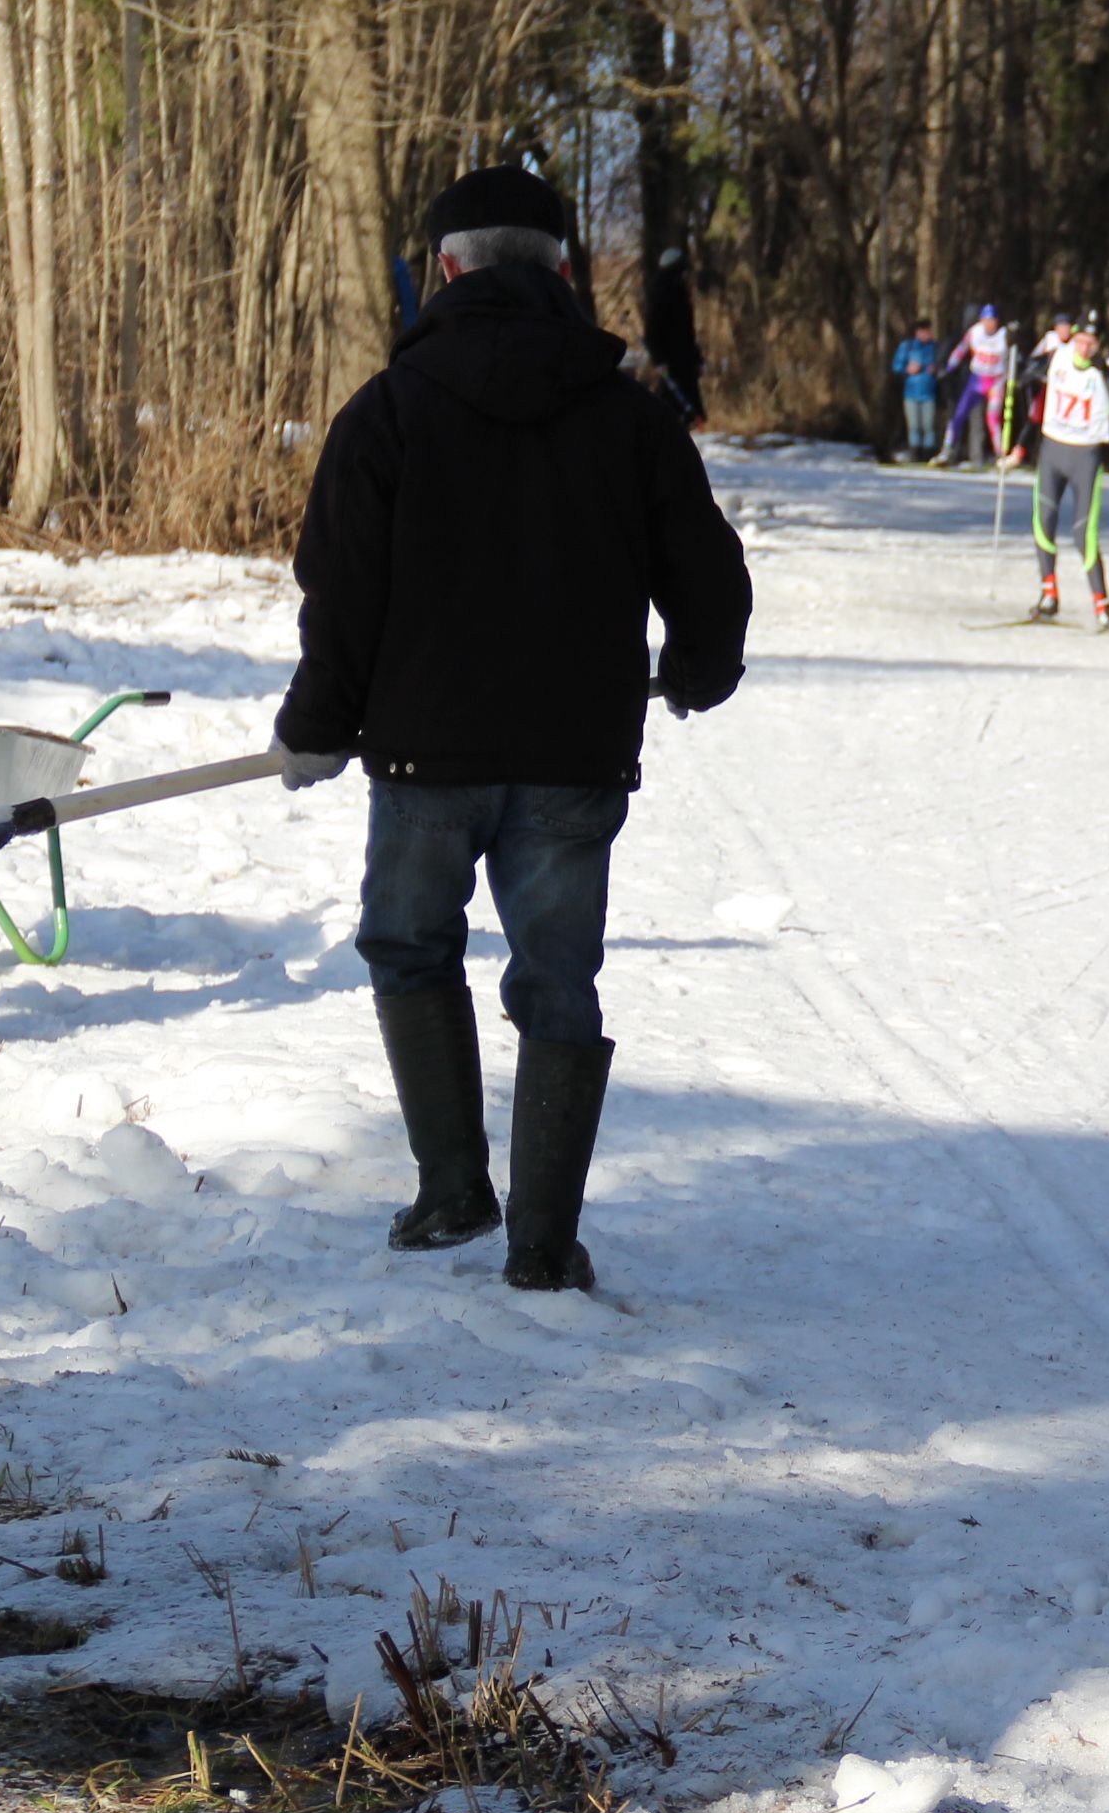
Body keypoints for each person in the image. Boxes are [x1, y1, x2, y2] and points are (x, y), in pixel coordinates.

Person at [275, 165, 752, 1292]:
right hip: (570, 756)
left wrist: (318, 723)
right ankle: (541, 1244)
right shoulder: (632, 418)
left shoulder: (387, 412)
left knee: (407, 945)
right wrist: (696, 671)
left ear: (443, 268)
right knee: (558, 981)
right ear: (567, 275)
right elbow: (710, 579)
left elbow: (341, 590)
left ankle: (452, 1190)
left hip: (421, 755)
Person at [1027, 315, 1109, 627]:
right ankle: (1048, 596)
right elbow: (1026, 376)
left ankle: (1103, 607)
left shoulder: (1106, 368)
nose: (1084, 349)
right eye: (1080, 341)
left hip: (1086, 456)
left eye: (1090, 343)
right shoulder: (1056, 356)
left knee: (1083, 532)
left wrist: (1107, 372)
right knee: (1043, 521)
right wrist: (1021, 363)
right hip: (1053, 449)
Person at [642, 245, 705, 427]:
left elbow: (687, 332)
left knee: (688, 411)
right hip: (670, 360)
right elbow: (652, 331)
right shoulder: (661, 291)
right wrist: (659, 359)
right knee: (673, 408)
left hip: (684, 359)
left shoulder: (679, 289)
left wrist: (697, 359)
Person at [940, 306, 1012, 463]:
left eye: (992, 321)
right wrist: (950, 367)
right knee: (959, 414)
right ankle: (947, 449)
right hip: (977, 379)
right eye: (986, 320)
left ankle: (1001, 454)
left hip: (996, 381)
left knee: (993, 418)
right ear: (981, 320)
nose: (989, 324)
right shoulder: (975, 332)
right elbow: (961, 349)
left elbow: (1013, 354)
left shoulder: (1003, 335)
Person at [889, 317, 942, 455]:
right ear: (917, 332)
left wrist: (936, 369)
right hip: (911, 393)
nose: (925, 334)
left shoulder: (935, 348)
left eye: (927, 332)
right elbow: (896, 366)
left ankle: (928, 452)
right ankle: (914, 452)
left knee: (928, 425)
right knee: (913, 426)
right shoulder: (908, 347)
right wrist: (907, 368)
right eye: (922, 332)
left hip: (929, 393)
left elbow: (945, 366)